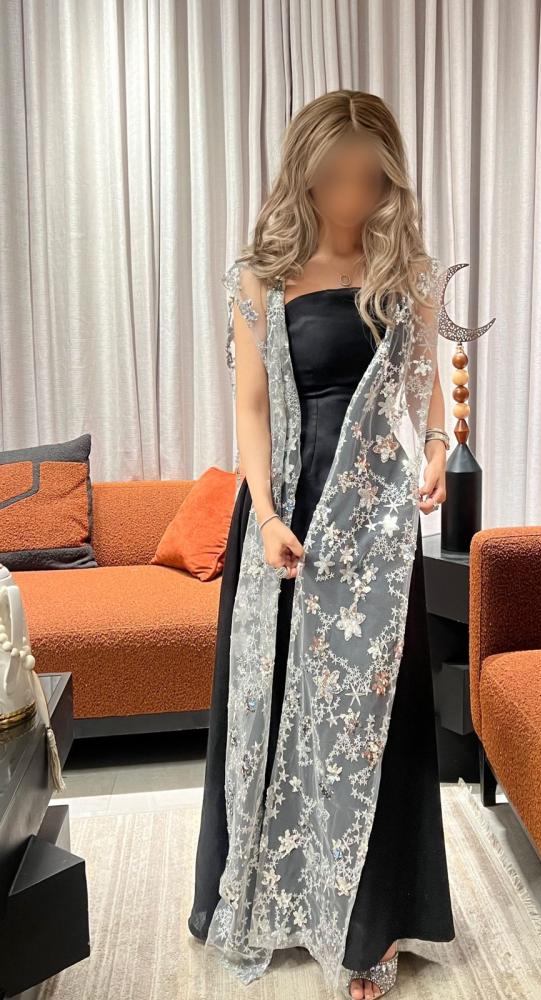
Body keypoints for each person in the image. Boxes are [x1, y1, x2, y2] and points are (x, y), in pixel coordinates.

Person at [188, 89, 455, 1000]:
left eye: (367, 176)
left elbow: (424, 385)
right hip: (287, 519)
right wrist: (265, 516)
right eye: (334, 175)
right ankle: (278, 899)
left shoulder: (406, 273)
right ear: (303, 173)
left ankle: (369, 926)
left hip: (375, 527)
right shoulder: (258, 277)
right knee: (277, 713)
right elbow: (251, 409)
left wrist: (435, 448)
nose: (350, 192)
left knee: (369, 723)